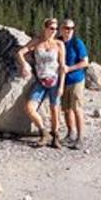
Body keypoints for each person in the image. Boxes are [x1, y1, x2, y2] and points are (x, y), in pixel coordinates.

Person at [16, 17, 66, 148]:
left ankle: (55, 136)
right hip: (41, 80)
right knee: (30, 108)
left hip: (55, 80)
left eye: (55, 29)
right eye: (51, 28)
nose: (54, 31)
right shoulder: (36, 42)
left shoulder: (59, 45)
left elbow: (62, 67)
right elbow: (20, 52)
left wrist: (61, 86)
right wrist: (24, 65)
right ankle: (44, 132)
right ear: (45, 28)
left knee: (54, 109)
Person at [59, 18, 90, 149]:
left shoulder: (77, 43)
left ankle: (80, 137)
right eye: (66, 28)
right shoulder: (59, 42)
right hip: (63, 81)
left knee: (77, 108)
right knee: (66, 109)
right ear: (62, 29)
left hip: (76, 79)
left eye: (71, 28)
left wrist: (69, 69)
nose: (69, 31)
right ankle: (70, 133)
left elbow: (85, 62)